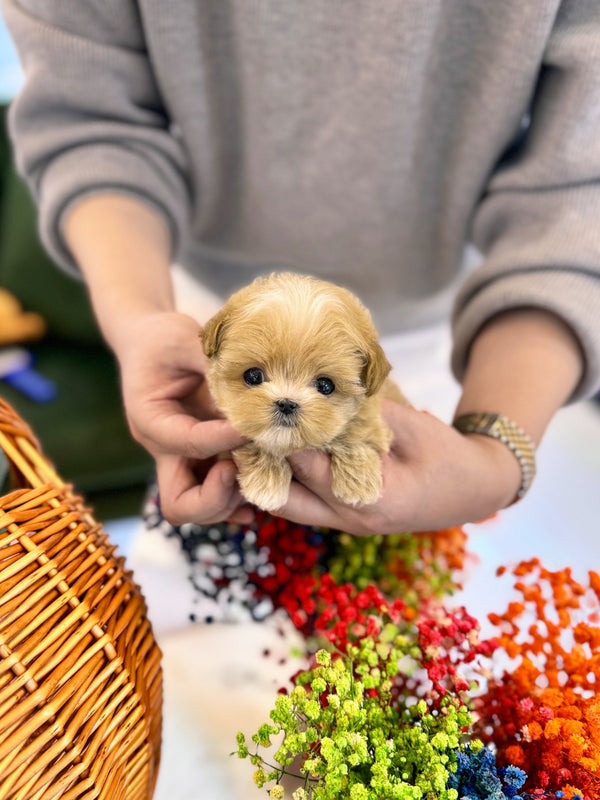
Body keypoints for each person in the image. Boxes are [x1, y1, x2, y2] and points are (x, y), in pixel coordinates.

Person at [2, 1, 598, 537]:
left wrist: (494, 456)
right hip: (188, 293)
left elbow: (579, 195)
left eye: (324, 387)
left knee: (403, 535)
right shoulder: (207, 345)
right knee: (209, 525)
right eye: (258, 377)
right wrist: (140, 319)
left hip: (463, 333)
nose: (287, 401)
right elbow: (92, 117)